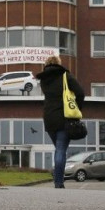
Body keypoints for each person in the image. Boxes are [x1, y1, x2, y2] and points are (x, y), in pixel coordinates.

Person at [35, 55, 85, 189]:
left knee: (59, 149)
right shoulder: (65, 76)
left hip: (49, 118)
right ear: (59, 63)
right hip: (64, 117)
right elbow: (80, 93)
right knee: (61, 150)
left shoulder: (43, 80)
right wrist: (77, 109)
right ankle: (58, 182)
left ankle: (58, 179)